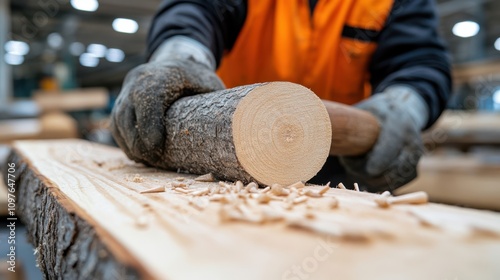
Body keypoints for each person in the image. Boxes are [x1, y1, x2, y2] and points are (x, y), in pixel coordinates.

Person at [110, 0, 451, 192]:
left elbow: (420, 62)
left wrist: (402, 107)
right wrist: (179, 56)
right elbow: (195, 10)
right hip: (224, 169)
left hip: (343, 173)